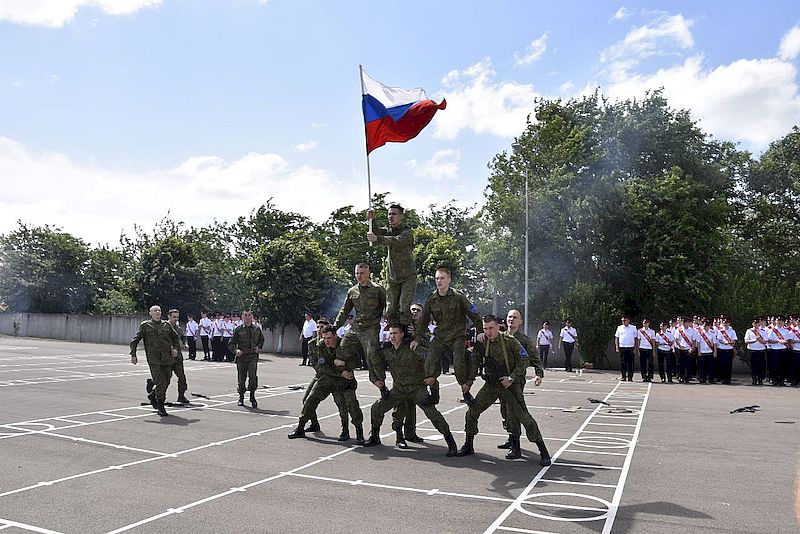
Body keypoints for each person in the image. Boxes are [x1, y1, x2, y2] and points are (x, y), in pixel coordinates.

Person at [456, 315, 551, 466]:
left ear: (498, 327)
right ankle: (468, 444)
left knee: (525, 418)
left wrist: (511, 378)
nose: (488, 331)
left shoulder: (510, 341)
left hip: (509, 386)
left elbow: (524, 360)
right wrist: (468, 383)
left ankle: (543, 451)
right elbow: (474, 362)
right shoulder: (482, 343)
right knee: (472, 412)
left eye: (491, 328)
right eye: (485, 328)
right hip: (492, 385)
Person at [363, 324, 459, 455]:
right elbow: (374, 363)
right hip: (399, 389)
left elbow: (432, 358)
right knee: (377, 408)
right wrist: (376, 381)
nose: (393, 337)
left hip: (417, 388)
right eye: (391, 334)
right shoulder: (386, 351)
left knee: (432, 413)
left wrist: (432, 377)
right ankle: (375, 436)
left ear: (402, 334)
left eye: (395, 333)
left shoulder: (412, 347)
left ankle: (451, 443)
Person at [416, 268, 483, 405]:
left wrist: (480, 331)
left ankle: (466, 392)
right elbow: (423, 321)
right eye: (437, 278)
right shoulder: (432, 298)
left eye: (442, 278)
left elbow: (475, 316)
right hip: (441, 336)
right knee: (430, 363)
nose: (439, 281)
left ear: (449, 280)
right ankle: (434, 393)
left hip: (457, 335)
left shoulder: (459, 297)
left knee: (459, 365)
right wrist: (417, 338)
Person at [288, 326, 364, 444]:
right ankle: (300, 427)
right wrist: (340, 371)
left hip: (344, 380)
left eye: (329, 338)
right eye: (324, 338)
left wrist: (344, 363)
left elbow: (358, 362)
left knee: (350, 405)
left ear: (335, 336)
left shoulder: (345, 345)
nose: (326, 341)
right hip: (328, 378)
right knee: (311, 399)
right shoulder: (321, 345)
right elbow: (323, 366)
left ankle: (358, 433)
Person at [495, 309, 544, 451]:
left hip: (516, 380)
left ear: (520, 321)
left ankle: (516, 445)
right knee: (504, 409)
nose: (512, 319)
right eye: (510, 316)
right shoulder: (500, 337)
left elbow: (535, 358)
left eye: (515, 317)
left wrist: (538, 374)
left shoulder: (524, 340)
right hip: (502, 380)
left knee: (513, 411)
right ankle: (511, 438)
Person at [333, 263, 386, 384]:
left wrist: (393, 324)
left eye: (362, 273)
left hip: (371, 327)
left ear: (368, 274)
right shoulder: (352, 291)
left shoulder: (378, 289)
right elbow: (344, 310)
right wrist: (335, 326)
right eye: (357, 273)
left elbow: (387, 307)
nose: (359, 276)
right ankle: (347, 377)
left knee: (372, 355)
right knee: (341, 351)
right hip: (357, 327)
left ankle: (379, 382)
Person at [300, 320, 353, 440]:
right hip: (320, 376)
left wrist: (335, 369)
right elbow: (315, 363)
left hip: (336, 378)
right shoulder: (312, 344)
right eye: (318, 327)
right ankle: (314, 423)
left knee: (341, 404)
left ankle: (345, 430)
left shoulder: (337, 343)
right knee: (307, 400)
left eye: (322, 327)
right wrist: (328, 369)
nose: (319, 329)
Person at [367, 204, 416, 332]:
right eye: (389, 214)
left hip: (408, 277)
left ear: (401, 216)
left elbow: (397, 241)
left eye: (394, 214)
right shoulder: (388, 231)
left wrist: (378, 238)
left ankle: (407, 332)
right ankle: (395, 333)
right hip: (393, 277)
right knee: (390, 309)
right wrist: (372, 220)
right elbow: (376, 233)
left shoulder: (407, 232)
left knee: (404, 308)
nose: (390, 217)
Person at [130, 305, 181, 417]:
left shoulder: (166, 325)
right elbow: (135, 340)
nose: (157, 312)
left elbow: (175, 337)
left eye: (159, 310)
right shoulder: (145, 325)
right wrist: (133, 354)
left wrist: (176, 349)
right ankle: (160, 406)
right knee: (161, 381)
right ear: (150, 313)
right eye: (155, 311)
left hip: (167, 358)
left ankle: (153, 394)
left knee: (167, 380)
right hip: (154, 359)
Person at [228, 309, 265, 407]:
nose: (248, 317)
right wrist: (236, 351)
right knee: (241, 378)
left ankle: (252, 396)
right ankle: (241, 396)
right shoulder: (238, 329)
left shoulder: (257, 329)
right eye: (246, 315)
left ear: (252, 317)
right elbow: (231, 343)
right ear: (242, 317)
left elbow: (262, 340)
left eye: (249, 315)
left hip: (252, 356)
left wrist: (259, 347)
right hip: (242, 357)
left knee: (252, 376)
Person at [166, 309, 190, 404]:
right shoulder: (164, 327)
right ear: (169, 316)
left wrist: (185, 344)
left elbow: (184, 337)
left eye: (177, 317)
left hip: (177, 358)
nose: (175, 319)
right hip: (167, 357)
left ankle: (181, 396)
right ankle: (153, 391)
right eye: (174, 317)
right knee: (164, 379)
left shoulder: (178, 329)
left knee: (182, 377)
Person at [767, 317, 794, 386]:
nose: (779, 322)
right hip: (775, 350)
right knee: (775, 366)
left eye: (781, 321)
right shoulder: (771, 330)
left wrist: (785, 341)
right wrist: (778, 341)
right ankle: (775, 380)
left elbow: (789, 340)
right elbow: (769, 340)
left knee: (783, 366)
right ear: (775, 321)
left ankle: (781, 380)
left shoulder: (786, 331)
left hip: (783, 350)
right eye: (778, 321)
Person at [745, 317, 768, 385]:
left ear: (759, 324)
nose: (755, 325)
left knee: (761, 366)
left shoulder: (763, 331)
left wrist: (760, 340)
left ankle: (760, 379)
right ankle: (754, 379)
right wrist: (754, 340)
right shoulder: (749, 331)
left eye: (757, 323)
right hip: (752, 350)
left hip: (761, 351)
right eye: (754, 323)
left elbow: (766, 341)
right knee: (753, 366)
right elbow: (746, 341)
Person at [614, 316, 638, 382]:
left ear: (628, 320)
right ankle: (623, 376)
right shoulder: (619, 328)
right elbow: (617, 337)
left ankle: (630, 377)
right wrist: (617, 346)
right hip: (622, 347)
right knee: (623, 363)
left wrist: (635, 347)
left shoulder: (633, 328)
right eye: (622, 320)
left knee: (631, 363)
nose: (623, 322)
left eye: (625, 320)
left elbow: (636, 338)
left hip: (631, 347)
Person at [674, 317, 697, 383]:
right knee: (681, 364)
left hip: (689, 349)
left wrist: (692, 348)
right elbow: (676, 339)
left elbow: (693, 340)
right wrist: (680, 346)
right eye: (684, 322)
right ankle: (681, 376)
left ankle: (687, 377)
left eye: (686, 322)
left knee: (689, 364)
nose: (685, 324)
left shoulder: (692, 331)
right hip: (681, 349)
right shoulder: (679, 330)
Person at [716, 317, 737, 384]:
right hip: (722, 350)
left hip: (729, 350)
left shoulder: (732, 331)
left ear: (729, 323)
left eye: (726, 323)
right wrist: (727, 342)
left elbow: (734, 341)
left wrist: (727, 342)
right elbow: (720, 340)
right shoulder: (720, 331)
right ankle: (723, 379)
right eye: (724, 323)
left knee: (729, 365)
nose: (725, 324)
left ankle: (728, 379)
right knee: (722, 365)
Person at [695, 318, 718, 384]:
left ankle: (711, 379)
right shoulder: (700, 333)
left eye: (707, 326)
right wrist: (699, 351)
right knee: (701, 367)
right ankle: (702, 379)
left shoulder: (712, 333)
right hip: (702, 352)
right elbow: (698, 343)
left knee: (711, 367)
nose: (706, 327)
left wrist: (715, 352)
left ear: (709, 326)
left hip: (709, 352)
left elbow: (715, 343)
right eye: (704, 326)